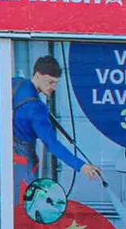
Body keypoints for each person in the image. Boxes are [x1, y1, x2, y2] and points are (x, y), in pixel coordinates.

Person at [12, 55, 102, 191]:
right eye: (50, 82)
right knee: (28, 197)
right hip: (23, 158)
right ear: (37, 75)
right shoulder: (37, 110)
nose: (53, 87)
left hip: (5, 152)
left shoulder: (16, 83)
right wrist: (81, 166)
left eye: (56, 83)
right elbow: (52, 144)